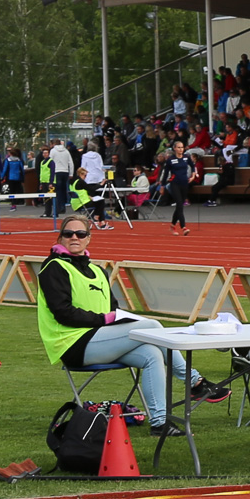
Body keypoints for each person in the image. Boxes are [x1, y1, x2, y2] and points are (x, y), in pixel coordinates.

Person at [37, 216, 230, 438]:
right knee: (153, 325)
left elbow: (113, 310)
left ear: (88, 239)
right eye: (69, 234)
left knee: (151, 353)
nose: (74, 238)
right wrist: (106, 320)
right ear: (60, 237)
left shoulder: (99, 271)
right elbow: (63, 313)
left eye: (80, 234)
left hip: (100, 339)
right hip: (72, 345)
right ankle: (194, 381)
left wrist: (114, 320)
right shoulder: (54, 267)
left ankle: (160, 424)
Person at [161, 141, 198, 235]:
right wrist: (162, 185)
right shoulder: (170, 160)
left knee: (179, 206)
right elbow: (165, 174)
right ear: (175, 148)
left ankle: (172, 226)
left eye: (182, 147)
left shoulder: (186, 157)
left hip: (184, 183)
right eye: (179, 147)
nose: (181, 149)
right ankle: (183, 227)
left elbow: (193, 166)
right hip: (175, 184)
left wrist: (193, 175)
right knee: (180, 204)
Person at [49, 138, 74, 217]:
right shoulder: (66, 151)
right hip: (65, 171)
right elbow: (71, 163)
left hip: (57, 172)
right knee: (63, 190)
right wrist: (71, 173)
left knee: (57, 191)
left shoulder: (53, 151)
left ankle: (58, 208)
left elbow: (50, 162)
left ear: (54, 143)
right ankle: (63, 206)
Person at [1, 147, 25, 211]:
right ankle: (19, 201)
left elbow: (5, 169)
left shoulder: (8, 160)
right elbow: (22, 169)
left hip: (10, 177)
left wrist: (2, 177)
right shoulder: (19, 160)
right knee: (17, 190)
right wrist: (23, 177)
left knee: (12, 191)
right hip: (17, 177)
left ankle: (13, 204)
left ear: (10, 153)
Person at [37, 146, 55, 217]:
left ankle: (50, 212)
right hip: (43, 181)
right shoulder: (42, 162)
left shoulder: (51, 162)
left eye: (46, 153)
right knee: (45, 198)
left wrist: (51, 182)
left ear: (48, 154)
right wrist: (41, 183)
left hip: (49, 182)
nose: (45, 154)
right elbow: (42, 173)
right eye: (43, 153)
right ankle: (46, 212)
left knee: (50, 198)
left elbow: (52, 172)